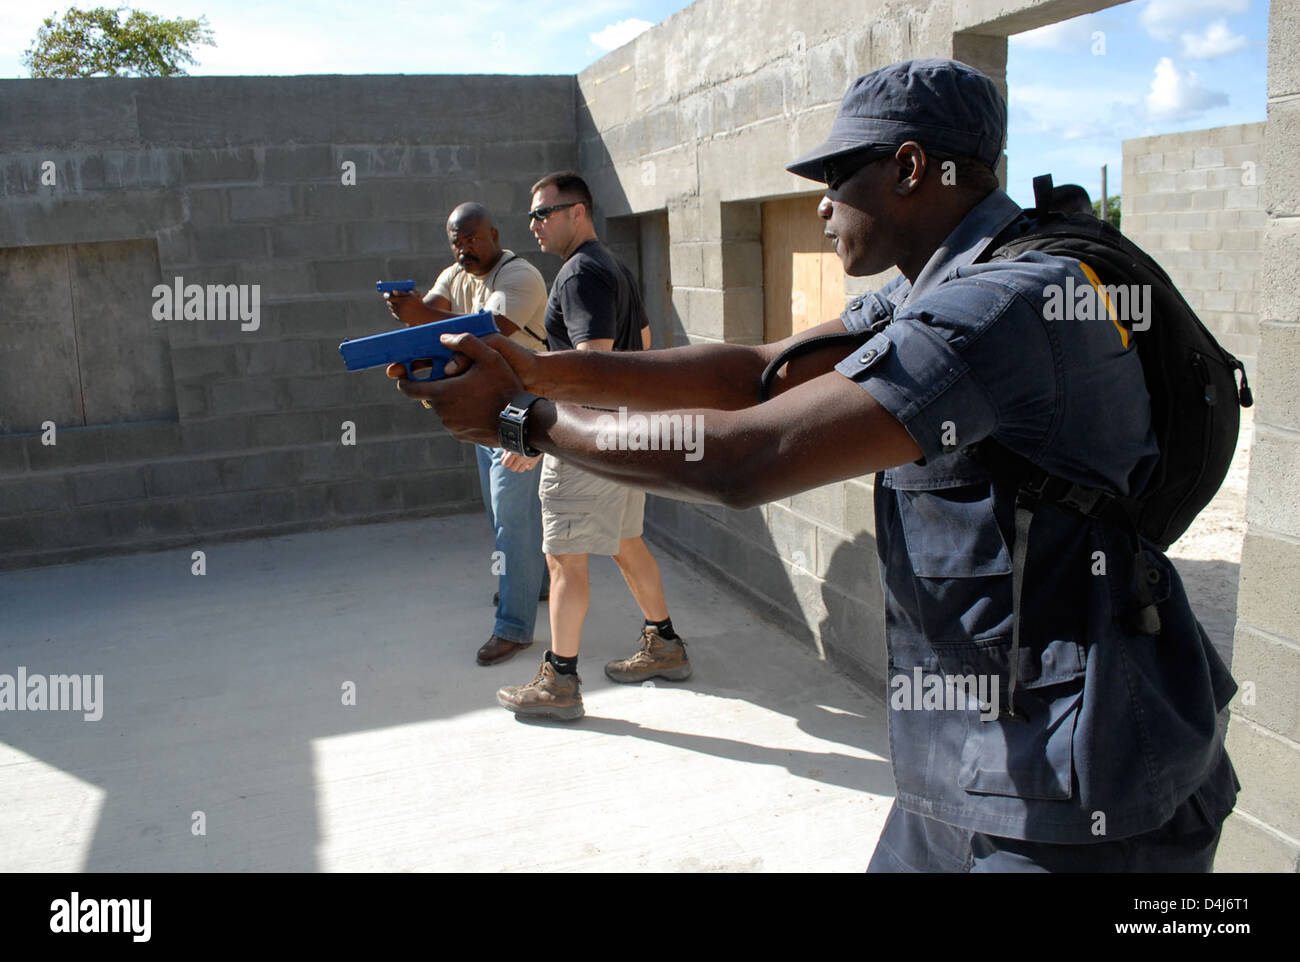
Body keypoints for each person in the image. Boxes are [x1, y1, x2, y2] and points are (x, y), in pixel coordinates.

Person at [392, 59, 1238, 871]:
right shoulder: (931, 286)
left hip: (1091, 786)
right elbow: (749, 372)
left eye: (838, 175)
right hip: (978, 758)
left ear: (911, 167)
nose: (824, 204)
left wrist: (520, 418)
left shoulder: (1005, 306)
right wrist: (535, 369)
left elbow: (746, 459)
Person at [497, 171, 686, 721]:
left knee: (563, 560)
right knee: (627, 542)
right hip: (622, 438)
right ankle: (665, 644)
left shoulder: (579, 275)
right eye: (532, 215)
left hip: (587, 444)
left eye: (544, 213)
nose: (534, 224)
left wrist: (541, 437)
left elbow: (590, 369)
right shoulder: (614, 267)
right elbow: (644, 345)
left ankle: (559, 682)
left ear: (577, 212)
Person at [386, 202, 550, 667]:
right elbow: (429, 315)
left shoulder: (521, 277)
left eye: (472, 239)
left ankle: (514, 629)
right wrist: (407, 310)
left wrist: (419, 313)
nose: (464, 249)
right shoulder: (455, 275)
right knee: (503, 508)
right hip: (484, 411)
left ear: (494, 234)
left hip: (523, 410)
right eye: (456, 241)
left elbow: (488, 334)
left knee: (511, 519)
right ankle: (533, 585)